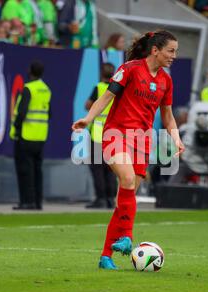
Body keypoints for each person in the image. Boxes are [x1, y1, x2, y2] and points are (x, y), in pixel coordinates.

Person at [72, 30, 185, 270]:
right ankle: (126, 236)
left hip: (142, 141)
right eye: (171, 51)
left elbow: (167, 116)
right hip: (116, 134)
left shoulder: (166, 81)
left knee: (126, 197)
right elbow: (106, 97)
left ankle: (105, 256)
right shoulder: (131, 69)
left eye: (176, 51)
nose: (174, 56)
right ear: (155, 50)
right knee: (127, 179)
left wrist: (176, 138)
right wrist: (88, 119)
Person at [10, 60, 51, 210]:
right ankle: (38, 202)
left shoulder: (28, 88)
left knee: (25, 171)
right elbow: (49, 112)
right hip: (40, 136)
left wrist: (16, 127)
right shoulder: (46, 89)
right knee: (37, 171)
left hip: (26, 135)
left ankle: (27, 202)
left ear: (30, 71)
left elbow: (22, 112)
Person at [85, 63, 117, 209]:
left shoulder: (98, 88)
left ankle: (101, 198)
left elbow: (88, 105)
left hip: (98, 134)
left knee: (97, 168)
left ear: (101, 74)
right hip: (113, 133)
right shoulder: (117, 89)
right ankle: (111, 198)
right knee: (111, 168)